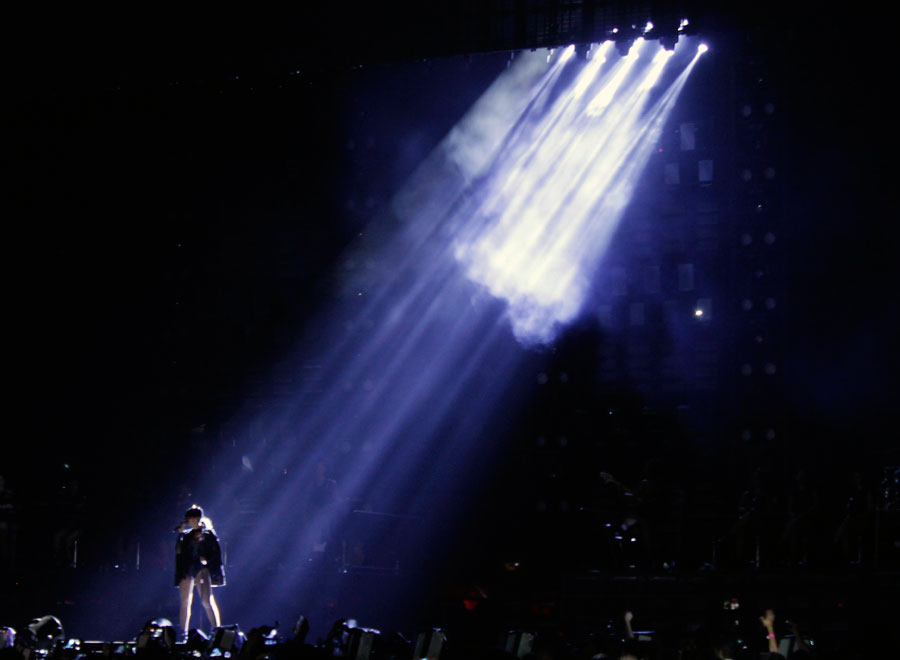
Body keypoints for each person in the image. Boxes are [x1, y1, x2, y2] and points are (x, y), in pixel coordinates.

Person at [174, 505, 224, 637]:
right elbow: (178, 551)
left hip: (202, 569)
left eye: (190, 518)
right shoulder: (186, 535)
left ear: (196, 518)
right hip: (187, 569)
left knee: (206, 600)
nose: (188, 520)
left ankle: (216, 630)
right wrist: (180, 533)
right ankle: (183, 633)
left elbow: (214, 552)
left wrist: (206, 559)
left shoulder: (208, 534)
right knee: (185, 601)